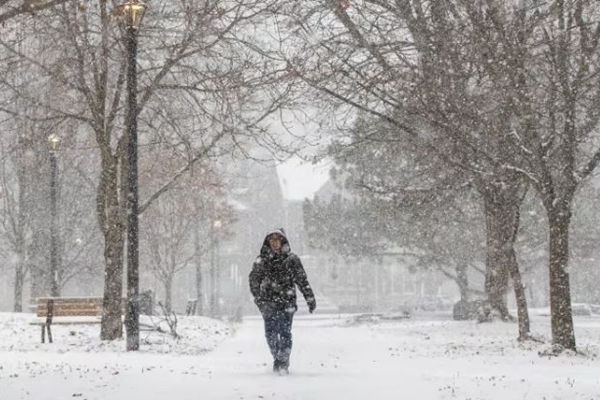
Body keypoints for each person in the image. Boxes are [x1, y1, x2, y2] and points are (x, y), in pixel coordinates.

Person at [249, 229, 316, 374]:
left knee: (285, 332)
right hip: (268, 302)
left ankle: (283, 361)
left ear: (282, 242)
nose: (275, 243)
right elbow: (254, 280)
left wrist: (309, 298)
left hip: (287, 302)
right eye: (272, 240)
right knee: (270, 333)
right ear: (268, 242)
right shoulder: (262, 260)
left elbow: (302, 280)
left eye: (277, 240)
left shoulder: (292, 260)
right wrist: (258, 298)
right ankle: (277, 357)